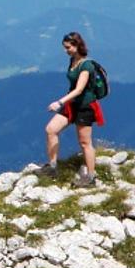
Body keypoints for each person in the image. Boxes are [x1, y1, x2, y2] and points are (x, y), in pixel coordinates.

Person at [41, 31, 104, 187]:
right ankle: (53, 166)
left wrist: (59, 102)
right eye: (65, 47)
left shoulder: (86, 65)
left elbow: (79, 89)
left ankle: (90, 177)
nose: (66, 50)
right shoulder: (72, 61)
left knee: (84, 142)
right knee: (51, 129)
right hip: (72, 104)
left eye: (68, 47)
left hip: (85, 106)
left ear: (77, 45)